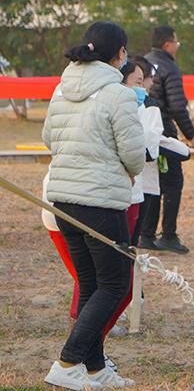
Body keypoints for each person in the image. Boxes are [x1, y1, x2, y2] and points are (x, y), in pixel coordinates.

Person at [42, 22, 144, 391]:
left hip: (64, 200)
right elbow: (134, 154)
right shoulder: (118, 94)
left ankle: (94, 367)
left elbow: (48, 138)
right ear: (120, 54)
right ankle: (68, 361)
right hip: (100, 201)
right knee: (115, 284)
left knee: (90, 284)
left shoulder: (61, 88)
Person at [141, 24, 194, 254]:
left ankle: (146, 234)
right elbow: (176, 105)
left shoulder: (144, 63)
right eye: (176, 42)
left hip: (145, 130)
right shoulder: (169, 67)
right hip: (163, 131)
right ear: (167, 45)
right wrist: (191, 134)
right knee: (174, 183)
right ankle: (168, 235)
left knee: (152, 183)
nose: (177, 46)